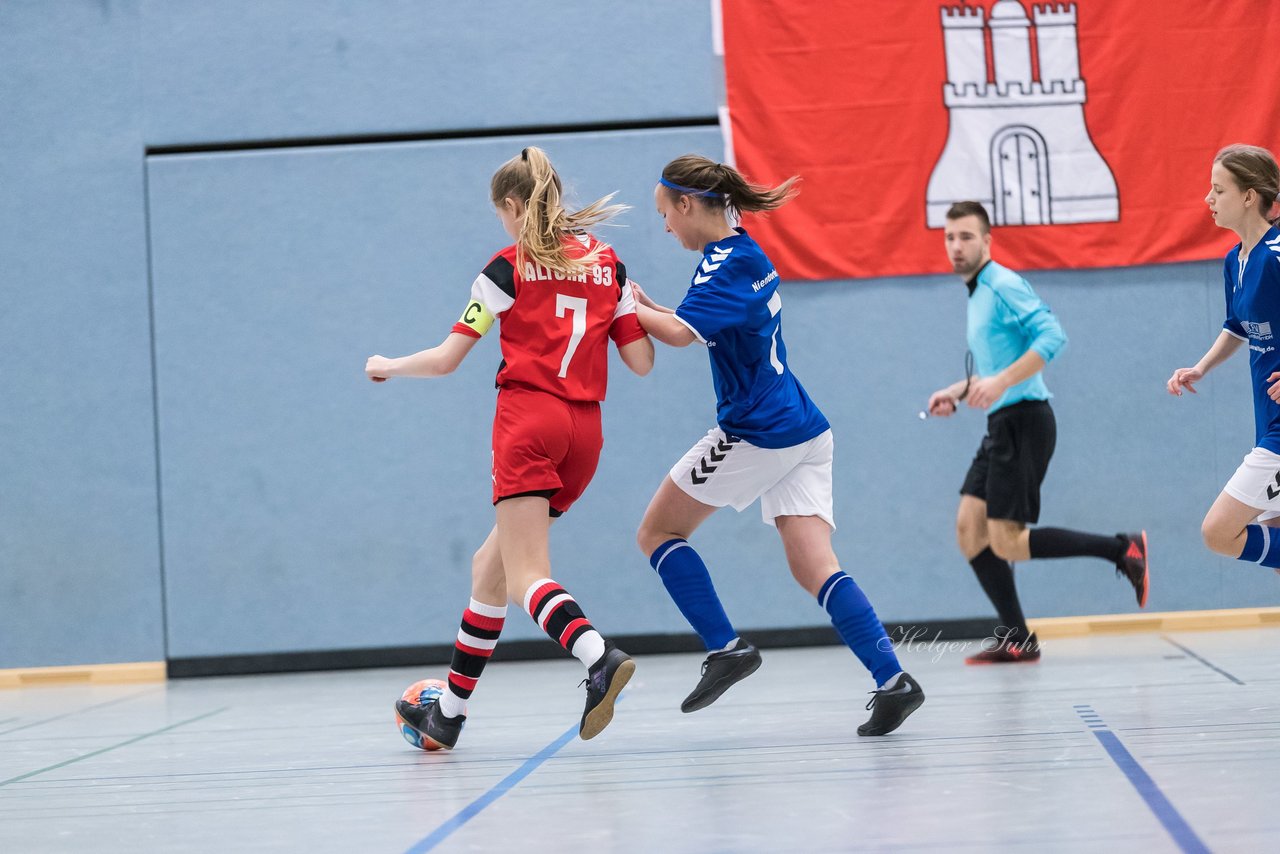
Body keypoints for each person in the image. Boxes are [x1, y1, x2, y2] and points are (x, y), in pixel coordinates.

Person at [365, 147, 655, 749]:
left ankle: (598, 657)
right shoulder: (609, 265)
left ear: (516, 206)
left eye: (501, 213)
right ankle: (447, 712)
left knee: (528, 576)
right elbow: (641, 362)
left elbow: (447, 360)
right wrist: (632, 304)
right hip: (585, 434)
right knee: (488, 569)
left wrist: (389, 366)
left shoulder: (506, 267)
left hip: (529, 422)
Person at [630, 154, 923, 737]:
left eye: (666, 213)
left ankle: (726, 649)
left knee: (658, 533)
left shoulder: (722, 266)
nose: (665, 227)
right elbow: (695, 320)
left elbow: (682, 336)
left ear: (687, 204)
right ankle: (894, 682)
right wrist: (652, 307)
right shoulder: (741, 253)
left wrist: (620, 305)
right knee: (814, 566)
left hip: (759, 432)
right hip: (805, 429)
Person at [926, 201, 1149, 665]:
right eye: (950, 237)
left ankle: (1121, 548)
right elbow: (993, 370)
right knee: (971, 531)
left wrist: (1001, 383)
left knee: (1007, 541)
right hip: (1001, 423)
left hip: (1025, 422)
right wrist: (957, 389)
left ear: (987, 241)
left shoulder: (1003, 284)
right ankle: (1018, 639)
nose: (956, 246)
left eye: (966, 237)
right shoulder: (977, 293)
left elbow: (1053, 337)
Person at [1168, 144, 1280, 573]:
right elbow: (1237, 325)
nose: (1207, 199)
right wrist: (1202, 366)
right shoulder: (1236, 260)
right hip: (1266, 419)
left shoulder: (1276, 255)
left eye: (1218, 190)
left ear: (1249, 196)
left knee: (1219, 532)